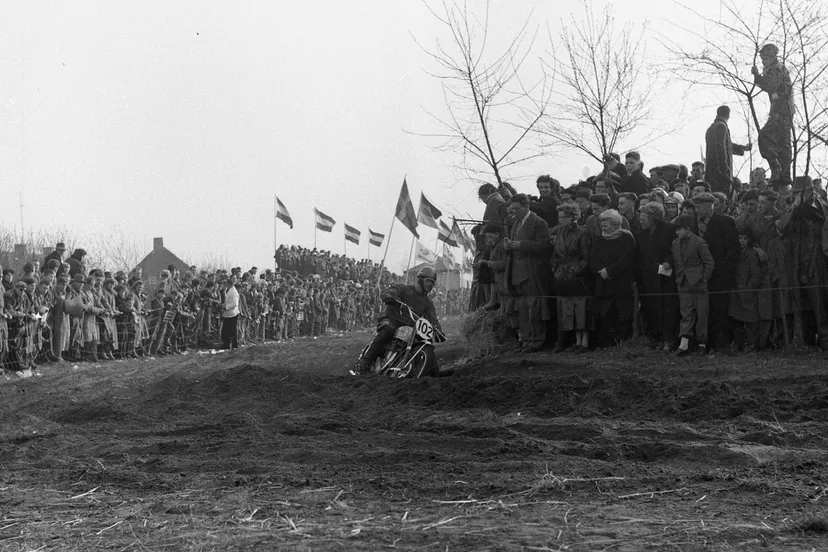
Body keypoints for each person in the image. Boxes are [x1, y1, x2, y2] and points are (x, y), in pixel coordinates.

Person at [352, 266, 443, 374]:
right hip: (392, 320)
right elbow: (389, 291)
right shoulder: (404, 289)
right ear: (421, 279)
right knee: (389, 329)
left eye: (432, 282)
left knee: (426, 340)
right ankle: (364, 362)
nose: (430, 285)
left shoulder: (427, 302)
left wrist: (438, 331)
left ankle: (434, 370)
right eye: (428, 281)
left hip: (411, 326)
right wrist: (389, 296)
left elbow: (433, 318)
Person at [503, 194, 551, 353]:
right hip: (516, 273)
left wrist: (520, 244)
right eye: (512, 208)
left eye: (517, 208)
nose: (514, 212)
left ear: (526, 206)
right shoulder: (515, 222)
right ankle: (526, 339)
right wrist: (508, 245)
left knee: (534, 308)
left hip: (531, 272)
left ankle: (537, 340)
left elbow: (544, 246)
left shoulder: (539, 223)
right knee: (522, 309)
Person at [693, 192, 739, 351]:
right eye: (695, 206)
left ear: (709, 205)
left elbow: (733, 250)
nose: (696, 210)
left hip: (720, 276)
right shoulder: (692, 223)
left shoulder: (726, 222)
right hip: (699, 276)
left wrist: (725, 272)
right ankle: (702, 342)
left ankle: (720, 343)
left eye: (699, 206)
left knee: (719, 309)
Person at [589, 209, 637, 347]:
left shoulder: (626, 238)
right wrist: (599, 270)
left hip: (620, 283)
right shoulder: (599, 239)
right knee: (604, 315)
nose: (603, 227)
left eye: (606, 225)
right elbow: (593, 257)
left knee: (621, 314)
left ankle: (621, 342)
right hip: (602, 283)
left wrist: (609, 271)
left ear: (616, 224)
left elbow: (626, 259)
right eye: (602, 225)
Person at [635, 202, 679, 350]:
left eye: (644, 217)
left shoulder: (669, 230)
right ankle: (655, 338)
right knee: (651, 308)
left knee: (668, 308)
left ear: (654, 218)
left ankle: (668, 339)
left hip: (666, 277)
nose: (641, 220)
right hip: (648, 277)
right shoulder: (640, 233)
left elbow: (675, 249)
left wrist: (668, 261)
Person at [550, 204, 591, 352]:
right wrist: (555, 269)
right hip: (562, 276)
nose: (560, 220)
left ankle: (583, 342)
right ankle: (575, 340)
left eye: (563, 217)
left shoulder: (582, 233)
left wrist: (576, 271)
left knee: (581, 308)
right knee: (567, 308)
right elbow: (555, 254)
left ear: (573, 217)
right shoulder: (560, 232)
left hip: (577, 277)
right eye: (559, 217)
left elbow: (586, 257)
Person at [672, 215, 715, 356]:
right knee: (686, 314)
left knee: (702, 314)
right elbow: (677, 263)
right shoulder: (675, 243)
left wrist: (703, 279)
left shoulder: (699, 242)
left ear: (687, 229)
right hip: (683, 284)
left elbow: (709, 263)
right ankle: (683, 345)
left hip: (698, 285)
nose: (677, 233)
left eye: (679, 230)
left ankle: (702, 344)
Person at [752, 44, 793, 187]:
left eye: (764, 57)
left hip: (780, 110)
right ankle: (784, 176)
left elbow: (772, 86)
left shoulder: (776, 68)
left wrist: (757, 77)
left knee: (765, 136)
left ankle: (776, 167)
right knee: (783, 143)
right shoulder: (777, 68)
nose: (763, 61)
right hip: (784, 110)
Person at [705, 106, 751, 196]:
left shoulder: (711, 128)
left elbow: (727, 146)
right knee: (722, 197)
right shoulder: (721, 127)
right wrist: (724, 168)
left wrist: (743, 148)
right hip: (719, 174)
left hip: (711, 171)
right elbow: (720, 148)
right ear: (728, 115)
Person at [221, 275, 240, 350]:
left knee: (232, 330)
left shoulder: (233, 292)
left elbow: (234, 304)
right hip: (228, 314)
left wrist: (226, 307)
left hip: (232, 314)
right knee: (226, 330)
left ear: (229, 284)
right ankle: (226, 344)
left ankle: (233, 345)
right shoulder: (229, 291)